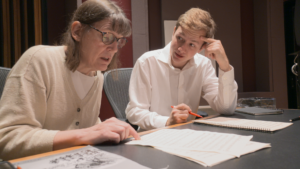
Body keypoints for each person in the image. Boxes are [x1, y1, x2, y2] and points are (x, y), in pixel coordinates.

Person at [0, 0, 140, 160]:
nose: (115, 49)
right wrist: (85, 134)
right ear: (78, 31)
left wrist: (103, 130)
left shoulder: (96, 76)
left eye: (119, 40)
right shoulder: (39, 60)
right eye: (107, 36)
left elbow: (88, 128)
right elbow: (6, 138)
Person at [125, 8, 238, 130]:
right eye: (180, 38)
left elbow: (226, 109)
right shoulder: (147, 62)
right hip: (154, 136)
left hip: (188, 137)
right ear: (173, 32)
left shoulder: (203, 65)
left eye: (192, 44)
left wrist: (225, 65)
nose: (181, 49)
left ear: (201, 48)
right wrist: (167, 121)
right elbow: (134, 112)